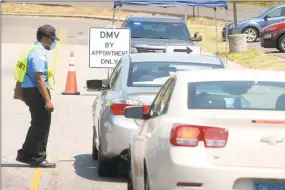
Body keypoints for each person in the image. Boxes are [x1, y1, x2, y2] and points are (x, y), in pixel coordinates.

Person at [15, 24, 59, 168]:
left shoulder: (31, 49)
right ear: (45, 38)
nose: (53, 43)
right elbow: (39, 77)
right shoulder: (39, 53)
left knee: (36, 124)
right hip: (36, 91)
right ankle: (38, 158)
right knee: (42, 125)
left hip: (29, 90)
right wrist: (47, 100)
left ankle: (25, 154)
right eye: (51, 39)